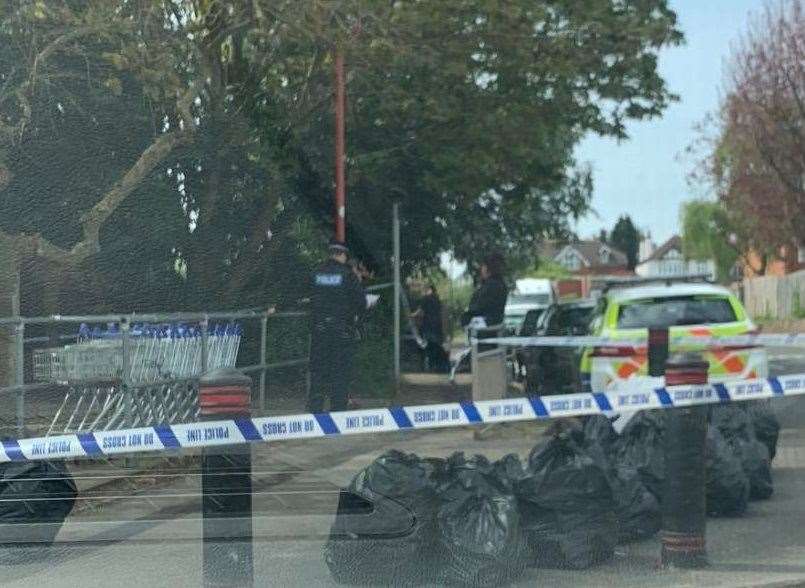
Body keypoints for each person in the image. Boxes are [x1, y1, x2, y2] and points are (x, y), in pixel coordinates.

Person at [307, 238, 367, 413]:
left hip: (319, 331)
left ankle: (315, 413)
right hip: (341, 333)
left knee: (318, 373)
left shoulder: (316, 272)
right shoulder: (347, 275)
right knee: (340, 375)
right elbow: (361, 302)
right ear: (342, 255)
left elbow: (306, 296)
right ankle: (338, 413)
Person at [461, 252, 508, 328]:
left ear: (487, 268)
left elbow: (479, 307)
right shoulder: (501, 284)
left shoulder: (490, 286)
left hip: (484, 326)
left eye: (483, 266)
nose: (481, 269)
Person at [412, 283, 449, 373]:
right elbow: (443, 313)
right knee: (437, 346)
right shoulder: (437, 299)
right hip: (437, 326)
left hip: (428, 326)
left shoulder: (425, 299)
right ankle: (440, 366)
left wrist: (412, 315)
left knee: (430, 346)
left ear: (428, 289)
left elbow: (420, 311)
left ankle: (433, 366)